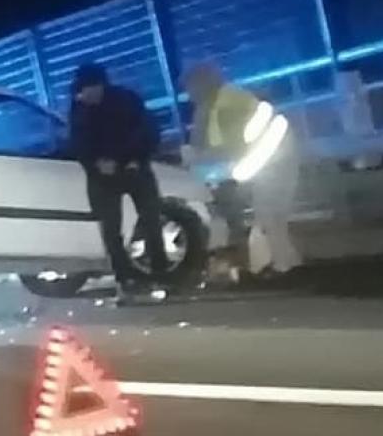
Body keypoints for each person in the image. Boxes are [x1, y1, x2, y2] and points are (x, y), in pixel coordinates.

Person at [182, 62, 301, 277]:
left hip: (272, 161)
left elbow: (230, 145)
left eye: (190, 88)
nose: (188, 95)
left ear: (203, 84)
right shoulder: (215, 103)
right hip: (269, 161)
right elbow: (205, 142)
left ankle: (284, 267)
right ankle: (285, 264)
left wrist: (200, 159)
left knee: (269, 216)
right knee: (270, 217)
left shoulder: (226, 105)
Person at [69, 63, 168, 303]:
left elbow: (147, 132)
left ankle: (160, 275)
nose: (87, 96)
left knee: (152, 219)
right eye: (83, 92)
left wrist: (133, 159)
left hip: (134, 167)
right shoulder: (79, 108)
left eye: (91, 89)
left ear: (101, 86)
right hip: (102, 176)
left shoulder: (126, 101)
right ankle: (125, 280)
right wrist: (95, 165)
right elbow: (78, 143)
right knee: (111, 231)